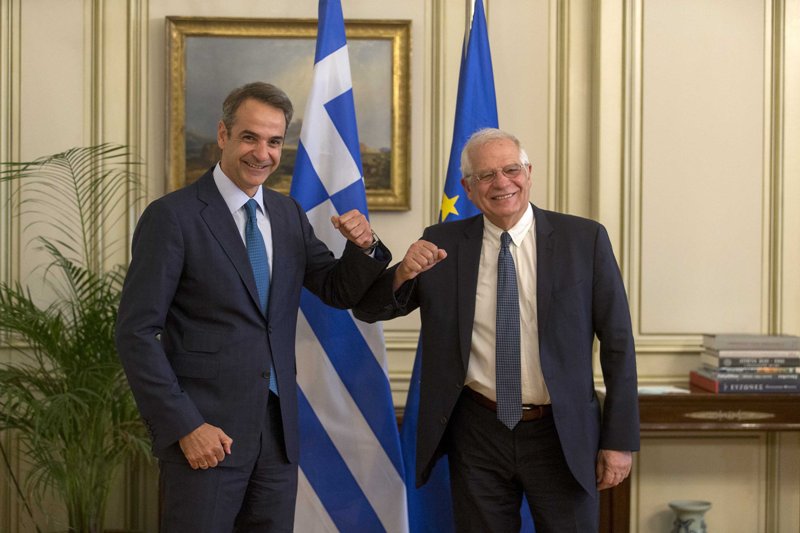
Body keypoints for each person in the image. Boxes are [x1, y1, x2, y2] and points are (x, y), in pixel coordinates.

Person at [115, 82, 390, 532]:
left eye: (274, 141)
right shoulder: (173, 217)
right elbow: (136, 333)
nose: (262, 152)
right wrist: (185, 425)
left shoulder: (287, 215)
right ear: (223, 135)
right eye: (250, 137)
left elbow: (336, 290)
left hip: (278, 439)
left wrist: (363, 247)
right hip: (206, 436)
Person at [354, 128, 639, 532]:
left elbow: (618, 344)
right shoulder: (441, 243)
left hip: (562, 432)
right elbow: (369, 309)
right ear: (468, 189)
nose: (502, 183)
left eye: (511, 170)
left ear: (529, 172)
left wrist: (618, 440)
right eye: (486, 176)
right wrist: (402, 271)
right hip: (477, 432)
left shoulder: (584, 239)